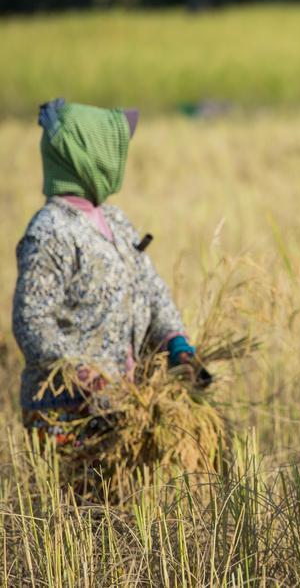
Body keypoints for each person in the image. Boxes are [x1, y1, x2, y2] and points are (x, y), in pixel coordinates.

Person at [12, 98, 199, 448]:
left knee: (125, 503)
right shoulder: (51, 232)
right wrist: (85, 376)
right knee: (78, 505)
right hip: (68, 416)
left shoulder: (114, 221)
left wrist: (176, 341)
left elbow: (151, 288)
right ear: (89, 158)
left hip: (121, 406)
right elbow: (32, 322)